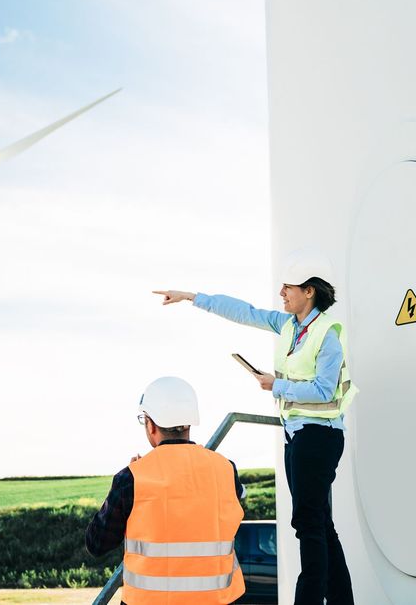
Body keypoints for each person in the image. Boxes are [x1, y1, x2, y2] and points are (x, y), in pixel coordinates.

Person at [153, 249, 357, 605]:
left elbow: (325, 390)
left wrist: (275, 385)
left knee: (308, 525)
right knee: (320, 523)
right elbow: (245, 312)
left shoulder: (327, 334)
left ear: (309, 291)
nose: (282, 293)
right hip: (298, 435)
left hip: (319, 436)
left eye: (288, 287)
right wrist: (191, 297)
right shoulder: (289, 325)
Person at [85, 376, 246, 605]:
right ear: (189, 423)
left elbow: (97, 543)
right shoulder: (226, 469)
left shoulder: (131, 478)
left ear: (150, 424)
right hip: (220, 600)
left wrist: (125, 487)